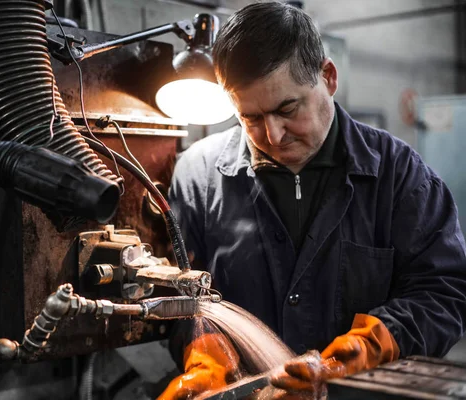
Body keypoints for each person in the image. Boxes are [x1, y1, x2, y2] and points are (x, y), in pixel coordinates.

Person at [157, 2, 466, 399]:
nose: (272, 136)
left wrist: (372, 346)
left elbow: (444, 292)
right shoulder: (198, 178)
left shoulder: (399, 176)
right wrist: (205, 353)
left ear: (328, 77)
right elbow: (180, 299)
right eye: (249, 117)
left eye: (287, 108)